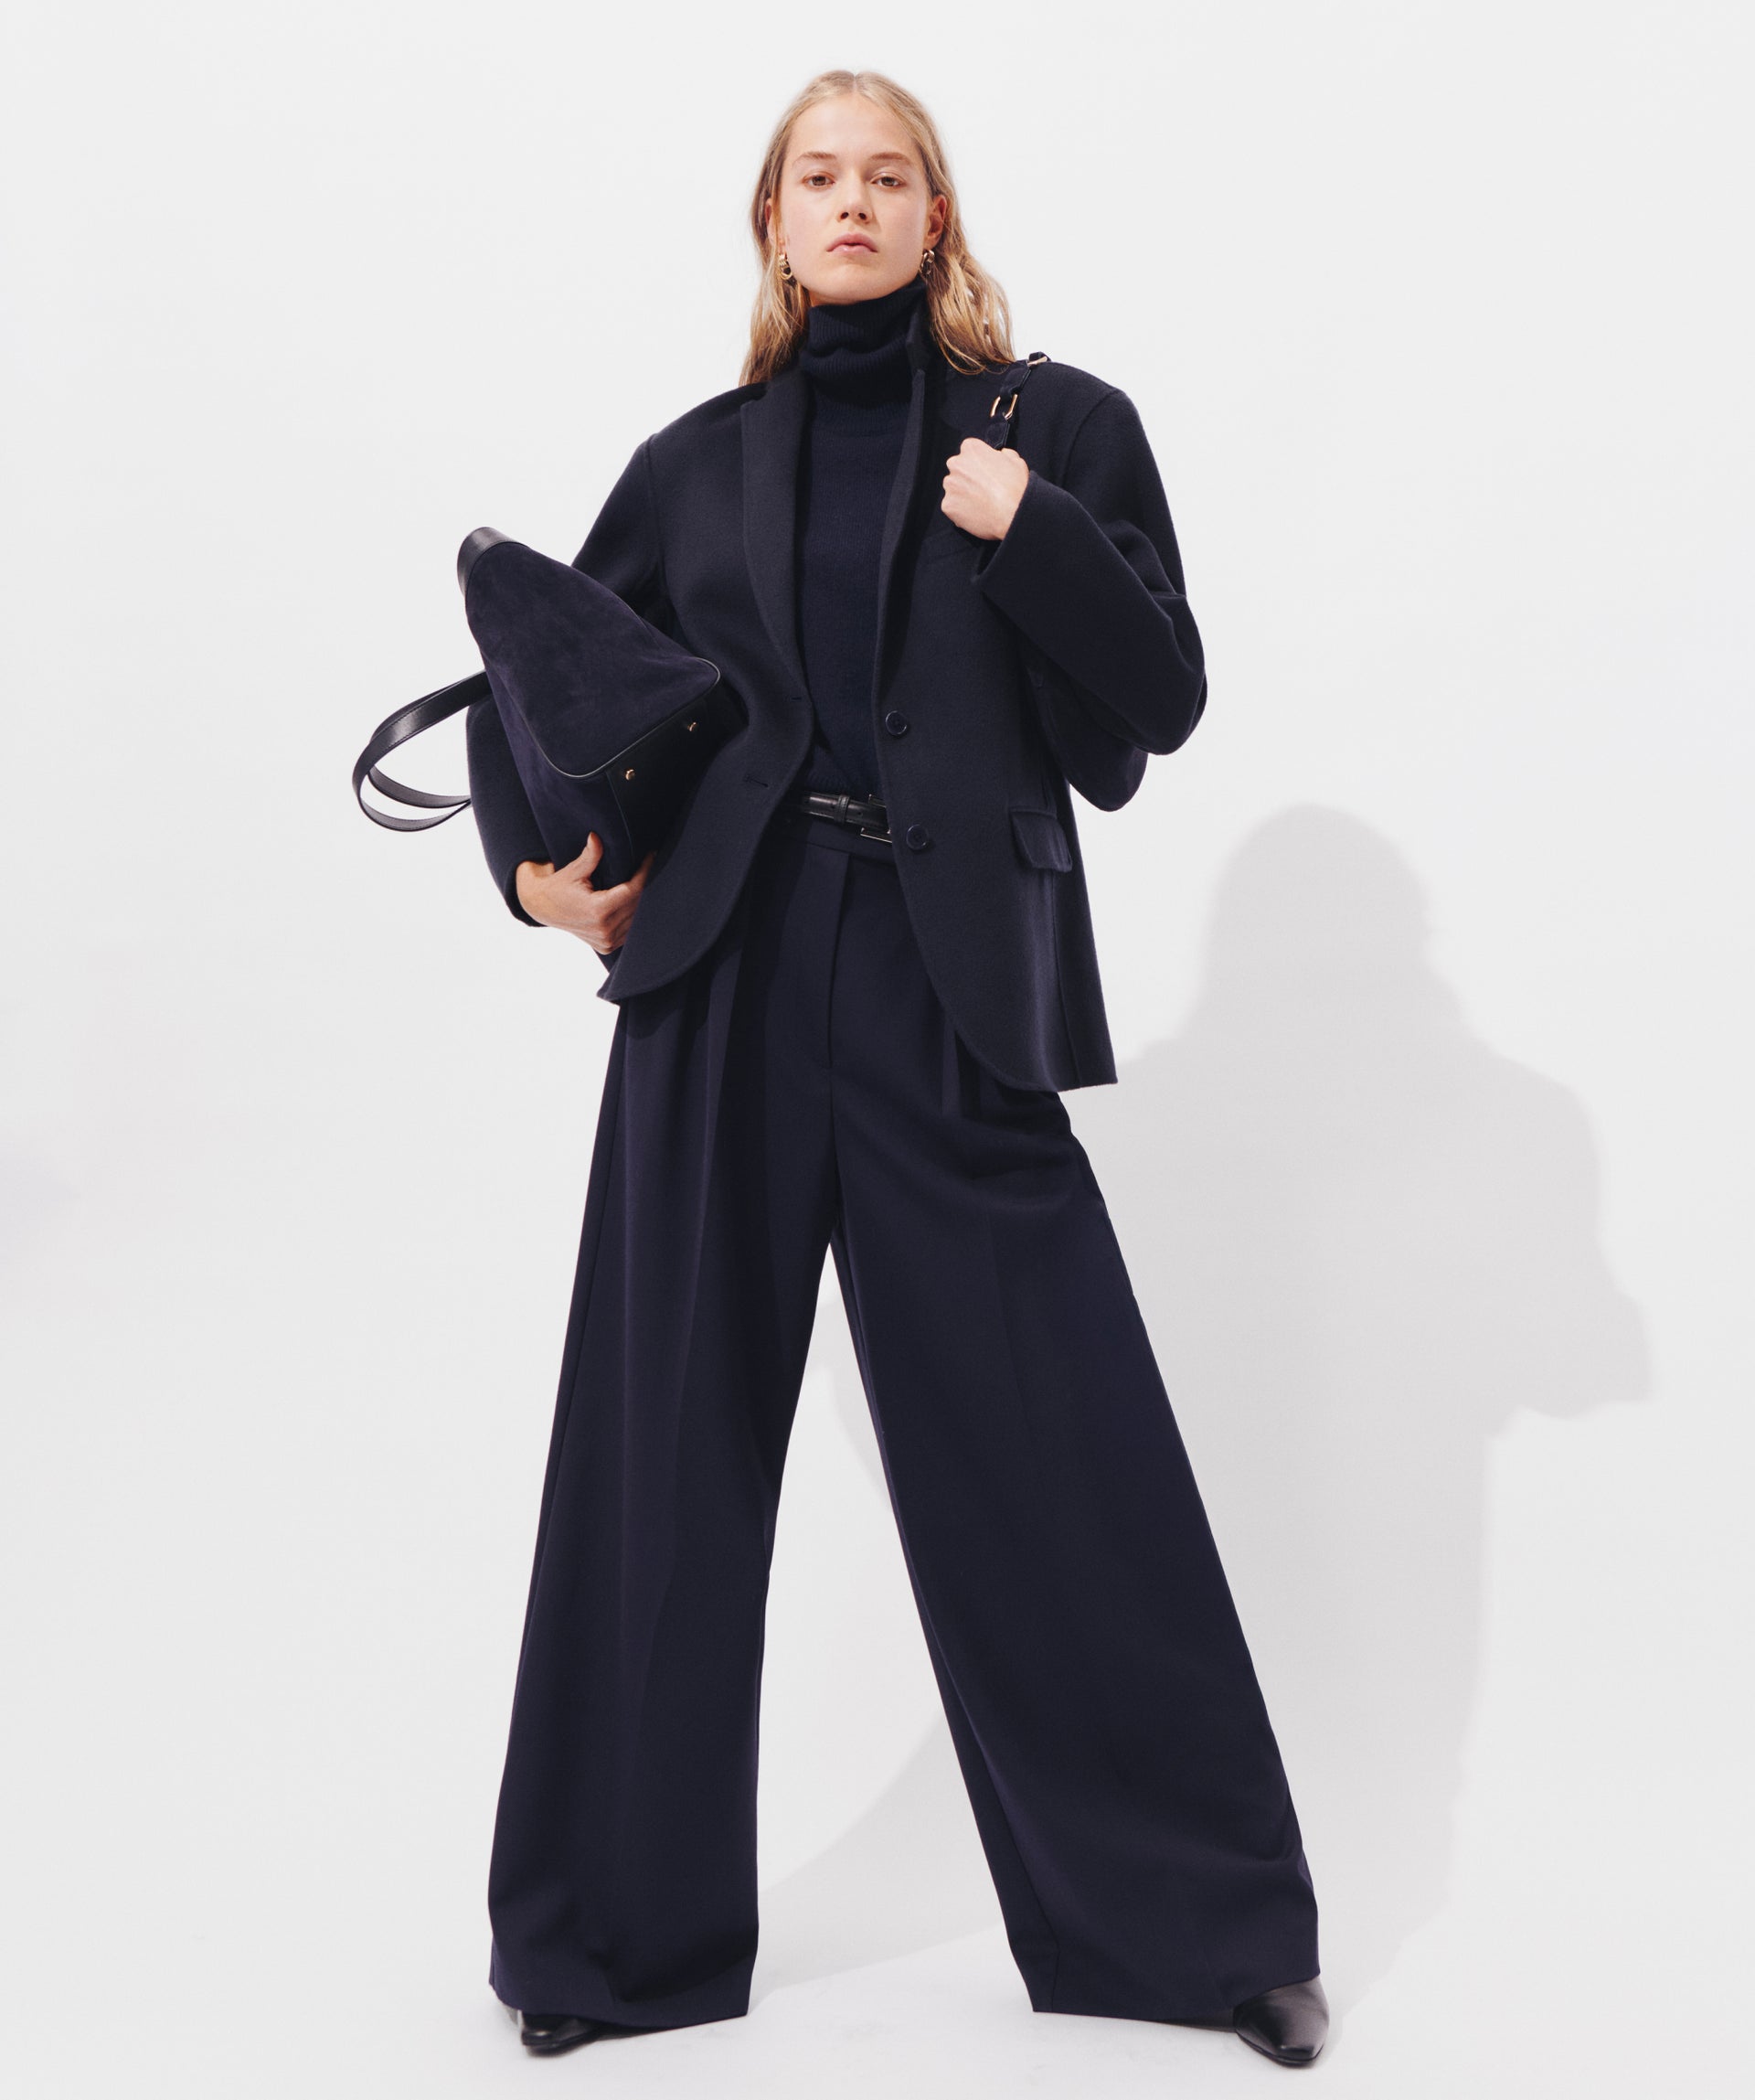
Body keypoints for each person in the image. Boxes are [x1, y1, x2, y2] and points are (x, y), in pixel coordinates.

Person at [463, 67, 1329, 2071]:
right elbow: (537, 678)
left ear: (937, 215)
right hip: (727, 974)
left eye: (889, 176)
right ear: (775, 225)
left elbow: (1160, 699)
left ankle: (1198, 1935)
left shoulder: (1053, 429)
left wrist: (1033, 537)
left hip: (952, 987)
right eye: (817, 178)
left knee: (1062, 1451)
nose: (851, 203)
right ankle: (605, 1943)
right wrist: (536, 876)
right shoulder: (693, 467)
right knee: (659, 1450)